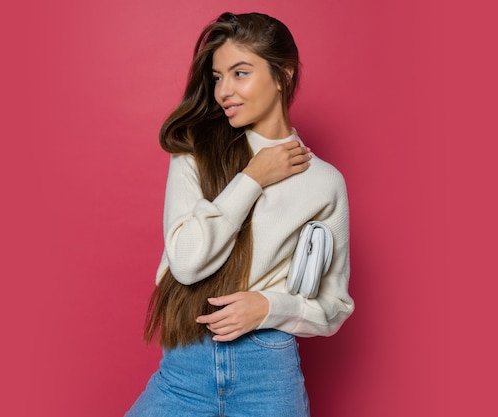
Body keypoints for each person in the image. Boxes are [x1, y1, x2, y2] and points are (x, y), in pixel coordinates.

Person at [126, 11, 354, 417]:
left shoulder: (324, 183)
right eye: (217, 77)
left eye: (240, 73)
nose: (223, 91)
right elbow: (186, 262)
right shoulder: (196, 154)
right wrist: (252, 177)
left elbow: (334, 305)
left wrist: (269, 307)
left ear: (282, 75)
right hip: (184, 369)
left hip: (267, 371)